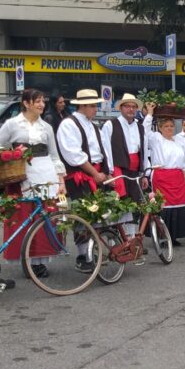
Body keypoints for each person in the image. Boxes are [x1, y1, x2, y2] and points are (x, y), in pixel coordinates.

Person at [0, 88, 67, 278]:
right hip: (22, 174)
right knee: (24, 217)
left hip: (45, 171)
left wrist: (60, 180)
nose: (41, 104)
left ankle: (39, 262)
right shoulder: (12, 124)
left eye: (42, 101)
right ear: (26, 103)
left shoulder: (47, 127)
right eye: (37, 101)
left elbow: (54, 155)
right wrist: (11, 155)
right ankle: (25, 257)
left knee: (44, 217)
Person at [56, 89, 111, 273]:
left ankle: (94, 250)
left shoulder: (93, 125)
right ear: (82, 106)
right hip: (80, 175)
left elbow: (102, 151)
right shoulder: (68, 125)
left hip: (96, 172)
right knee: (83, 215)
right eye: (93, 106)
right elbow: (74, 155)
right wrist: (94, 173)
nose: (96, 109)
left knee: (99, 213)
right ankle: (82, 255)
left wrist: (106, 172)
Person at [143, 104, 185, 245]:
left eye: (171, 126)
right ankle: (161, 235)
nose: (170, 128)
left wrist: (184, 171)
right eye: (166, 126)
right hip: (162, 176)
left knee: (178, 205)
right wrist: (150, 114)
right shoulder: (156, 139)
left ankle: (174, 236)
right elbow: (145, 131)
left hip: (177, 177)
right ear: (160, 127)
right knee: (162, 206)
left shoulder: (179, 140)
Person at [101, 93, 149, 202]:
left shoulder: (141, 128)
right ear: (121, 108)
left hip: (136, 173)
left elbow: (144, 152)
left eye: (133, 107)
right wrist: (109, 173)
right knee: (119, 205)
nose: (131, 109)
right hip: (118, 171)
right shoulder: (110, 125)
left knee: (135, 204)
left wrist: (144, 174)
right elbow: (106, 150)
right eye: (127, 106)